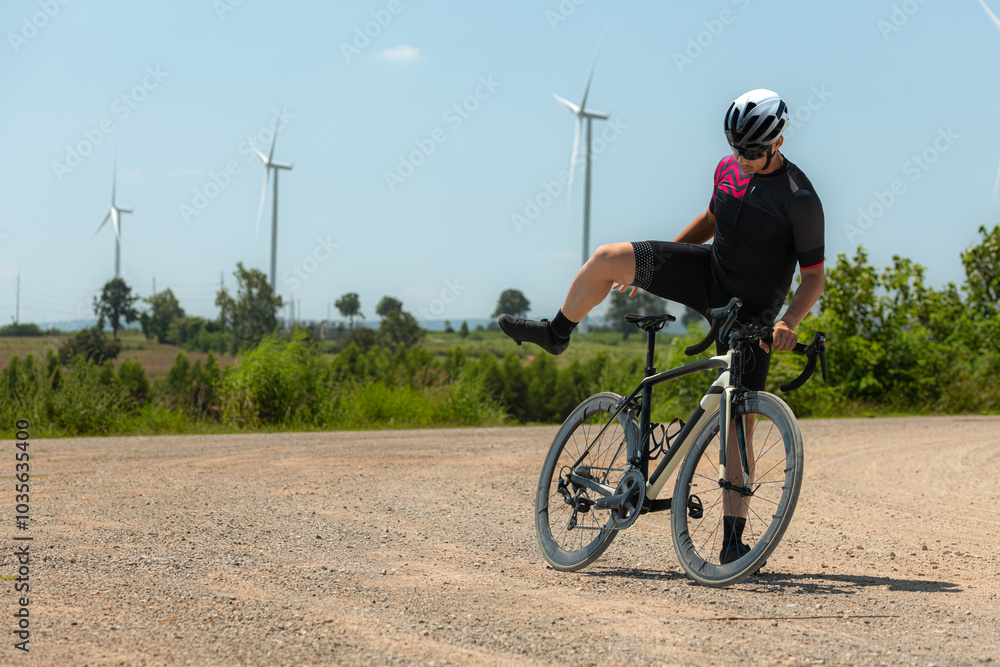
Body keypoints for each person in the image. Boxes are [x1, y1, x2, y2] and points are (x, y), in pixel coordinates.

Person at [498, 88, 825, 564]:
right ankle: (556, 332)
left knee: (739, 427)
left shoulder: (801, 199)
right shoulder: (728, 168)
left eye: (753, 150)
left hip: (753, 310)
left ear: (778, 140)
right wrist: (661, 261)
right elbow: (712, 219)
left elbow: (813, 278)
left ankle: (733, 539)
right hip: (708, 272)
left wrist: (788, 322)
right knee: (609, 258)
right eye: (736, 146)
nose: (743, 157)